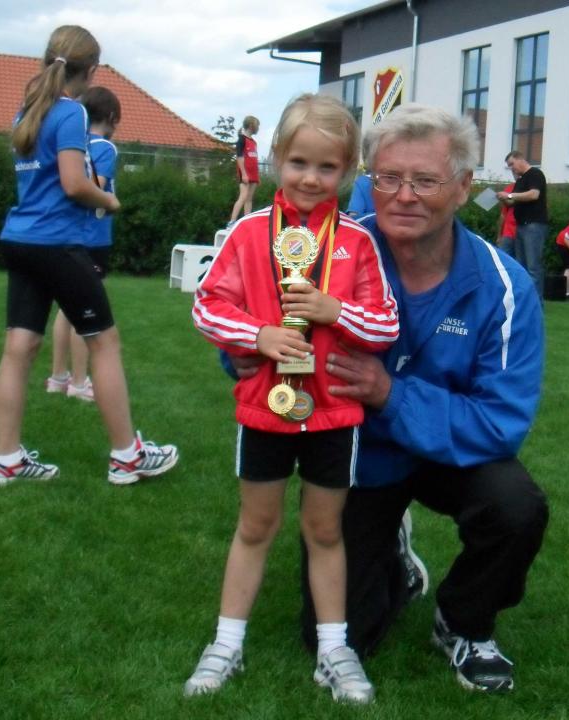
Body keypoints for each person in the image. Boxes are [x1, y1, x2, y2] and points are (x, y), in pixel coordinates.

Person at [294, 104, 548, 694]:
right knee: (336, 635)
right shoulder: (328, 250)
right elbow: (261, 328)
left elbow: (500, 423)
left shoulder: (504, 286)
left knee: (515, 506)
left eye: (425, 180)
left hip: (450, 452)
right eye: (388, 178)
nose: (404, 196)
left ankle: (464, 622)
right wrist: (251, 352)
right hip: (359, 457)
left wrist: (389, 393)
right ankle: (395, 560)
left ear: (462, 187)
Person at [187, 93, 399, 704]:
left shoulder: (357, 241)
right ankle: (226, 643)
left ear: (348, 170)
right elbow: (207, 305)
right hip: (264, 406)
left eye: (327, 167)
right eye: (300, 162)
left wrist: (336, 310)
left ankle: (334, 649)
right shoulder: (249, 232)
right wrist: (258, 335)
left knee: (325, 530)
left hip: (334, 412)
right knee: (255, 525)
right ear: (278, 157)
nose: (310, 178)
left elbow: (385, 325)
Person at [0, 25, 179, 486]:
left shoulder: (28, 110)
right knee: (103, 342)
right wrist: (108, 200)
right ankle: (126, 457)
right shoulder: (71, 112)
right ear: (90, 71)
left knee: (19, 348)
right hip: (57, 243)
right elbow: (74, 183)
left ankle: (5, 460)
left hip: (20, 240)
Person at [47, 86, 122, 402]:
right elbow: (95, 187)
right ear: (112, 117)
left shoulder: (76, 143)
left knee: (65, 310)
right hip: (93, 239)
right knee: (86, 312)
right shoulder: (105, 147)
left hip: (71, 235)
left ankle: (58, 377)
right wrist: (110, 202)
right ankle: (79, 382)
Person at [498, 150, 548, 301]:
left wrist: (510, 195)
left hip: (533, 225)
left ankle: (536, 303)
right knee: (522, 267)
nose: (511, 168)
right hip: (520, 227)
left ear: (520, 159)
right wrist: (502, 197)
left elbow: (534, 194)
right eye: (509, 166)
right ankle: (524, 302)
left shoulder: (535, 174)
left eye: (512, 164)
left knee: (533, 267)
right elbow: (512, 202)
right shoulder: (520, 180)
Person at [229, 115, 260, 223]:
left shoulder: (254, 142)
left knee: (249, 199)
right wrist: (244, 174)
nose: (258, 128)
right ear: (251, 125)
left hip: (254, 174)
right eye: (257, 125)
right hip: (245, 174)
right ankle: (232, 221)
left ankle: (247, 222)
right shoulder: (242, 140)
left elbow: (253, 158)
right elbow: (239, 157)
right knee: (243, 197)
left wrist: (256, 175)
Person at [495, 179, 517, 256]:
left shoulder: (531, 187)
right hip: (508, 232)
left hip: (522, 232)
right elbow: (503, 214)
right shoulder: (510, 188)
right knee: (503, 258)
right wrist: (499, 236)